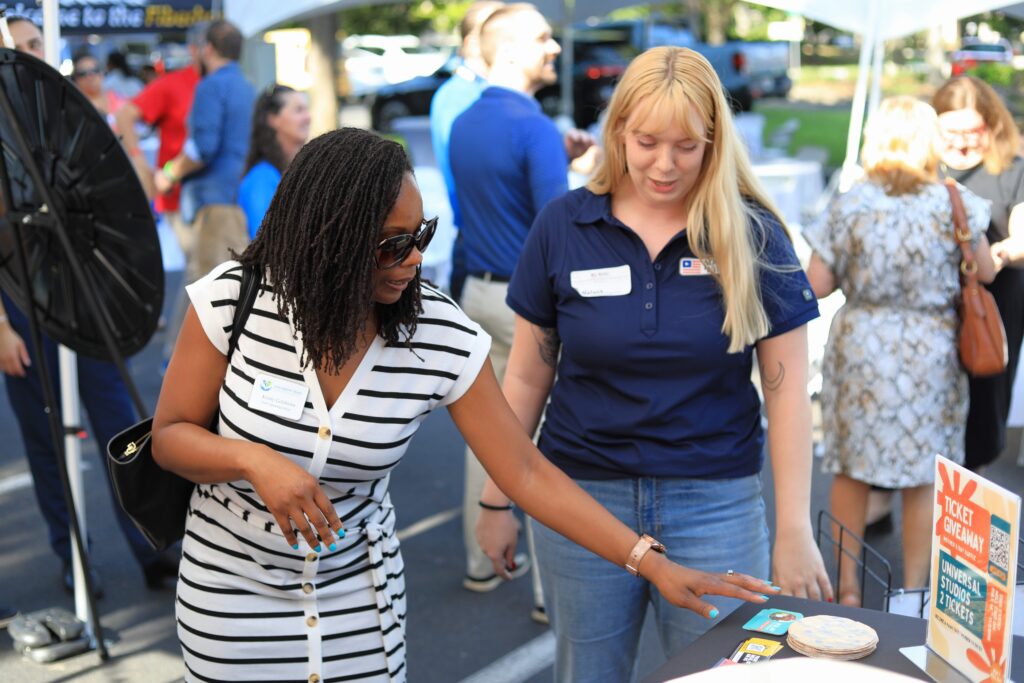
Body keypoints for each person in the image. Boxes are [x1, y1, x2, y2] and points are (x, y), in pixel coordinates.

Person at [151, 127, 777, 683]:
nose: (417, 259)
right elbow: (170, 435)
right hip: (231, 601)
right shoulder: (234, 301)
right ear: (330, 240)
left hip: (357, 610)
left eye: (421, 235)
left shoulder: (438, 334)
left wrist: (650, 563)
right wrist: (254, 461)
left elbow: (525, 471)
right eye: (393, 244)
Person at [474, 46, 832, 682]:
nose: (664, 165)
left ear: (714, 143)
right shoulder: (563, 225)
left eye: (686, 147)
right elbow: (528, 376)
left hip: (714, 502)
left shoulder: (753, 234)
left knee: (718, 675)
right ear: (616, 133)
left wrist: (794, 527)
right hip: (579, 499)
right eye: (645, 142)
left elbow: (787, 391)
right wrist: (497, 499)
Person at [0, 17, 179, 594]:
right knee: (48, 438)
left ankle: (152, 546)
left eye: (37, 43)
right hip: (25, 303)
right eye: (24, 46)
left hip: (87, 295)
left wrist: (116, 129)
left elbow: (132, 201)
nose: (37, 53)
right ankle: (73, 557)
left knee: (120, 427)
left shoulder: (71, 114)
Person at [804, 96, 995, 606]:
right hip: (930, 352)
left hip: (861, 346)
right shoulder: (954, 202)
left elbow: (816, 285)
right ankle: (912, 591)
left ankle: (845, 586)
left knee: (852, 468)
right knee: (922, 474)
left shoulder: (852, 203)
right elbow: (988, 272)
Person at [448, 3, 592, 611]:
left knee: (490, 432)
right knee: (544, 439)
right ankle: (546, 591)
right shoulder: (530, 125)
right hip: (525, 303)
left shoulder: (465, 120)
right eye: (541, 38)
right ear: (507, 51)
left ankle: (482, 561)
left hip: (478, 291)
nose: (553, 47)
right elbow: (555, 228)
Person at [934, 76, 1024, 472]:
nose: (962, 141)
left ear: (992, 126)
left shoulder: (1011, 169)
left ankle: (969, 496)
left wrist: (990, 260)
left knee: (984, 405)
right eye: (951, 131)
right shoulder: (923, 168)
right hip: (934, 305)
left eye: (973, 131)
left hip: (995, 303)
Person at [114, 22, 204, 368]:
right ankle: (179, 356)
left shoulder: (220, 84)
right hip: (180, 196)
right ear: (199, 49)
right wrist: (142, 164)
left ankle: (181, 353)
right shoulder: (174, 84)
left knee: (203, 273)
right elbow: (125, 115)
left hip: (211, 195)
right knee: (200, 274)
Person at [154, 19, 255, 283]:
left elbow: (203, 149)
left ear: (207, 49)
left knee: (212, 296)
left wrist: (168, 174)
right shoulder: (246, 86)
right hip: (235, 198)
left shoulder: (211, 85)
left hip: (213, 205)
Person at [429, 0, 504, 301]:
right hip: (478, 241)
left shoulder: (480, 91)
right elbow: (470, 174)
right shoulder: (458, 96)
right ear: (474, 41)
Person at [238, 84, 311, 239]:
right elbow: (263, 239)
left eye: (306, 109)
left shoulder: (300, 170)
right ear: (273, 119)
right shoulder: (262, 177)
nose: (308, 117)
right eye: (298, 110)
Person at [71, 53, 124, 124]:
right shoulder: (72, 106)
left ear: (102, 74)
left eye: (94, 70)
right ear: (76, 79)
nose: (90, 76)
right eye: (83, 73)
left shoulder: (118, 100)